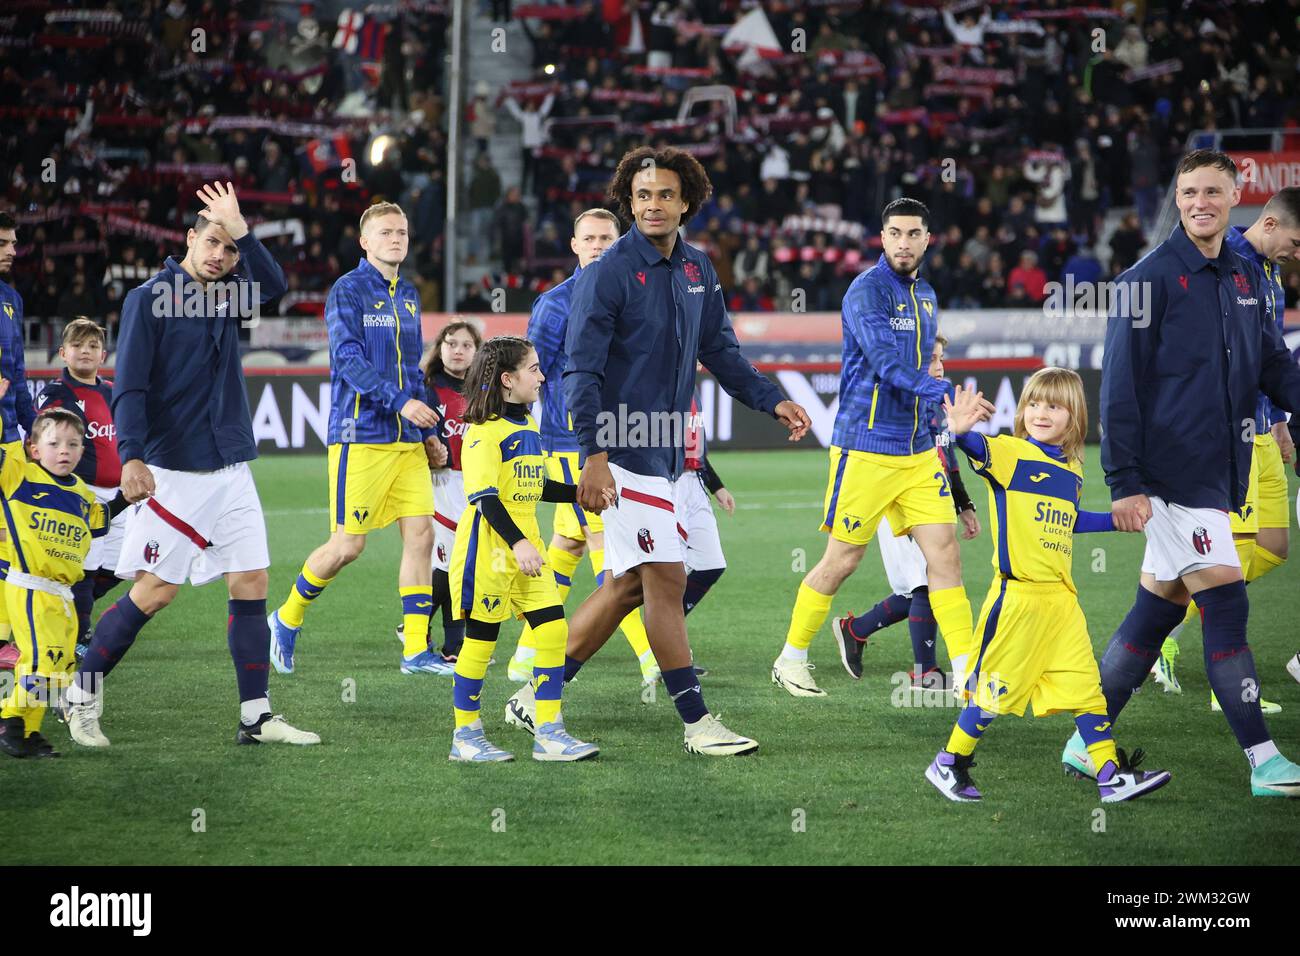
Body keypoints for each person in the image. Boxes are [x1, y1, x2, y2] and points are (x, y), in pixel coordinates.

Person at [530, 146, 811, 758]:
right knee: (665, 578)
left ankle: (537, 694)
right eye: (641, 196)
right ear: (628, 202)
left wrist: (770, 400)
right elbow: (579, 370)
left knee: (629, 586)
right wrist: (593, 454)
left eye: (664, 195)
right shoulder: (608, 272)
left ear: (688, 201)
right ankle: (696, 723)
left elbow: (722, 352)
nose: (652, 205)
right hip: (624, 450)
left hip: (668, 454)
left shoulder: (698, 270)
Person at [1063, 150, 1300, 798]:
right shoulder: (1148, 279)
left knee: (1156, 610)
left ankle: (1089, 740)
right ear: (1178, 196)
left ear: (1234, 198)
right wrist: (1124, 482)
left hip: (1216, 473)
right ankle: (1264, 759)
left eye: (1213, 192)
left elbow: (1273, 365)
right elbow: (1118, 390)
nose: (1201, 202)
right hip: (1170, 478)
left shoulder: (1243, 277)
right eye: (1190, 192)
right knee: (1225, 601)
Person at [62, 181, 318, 748]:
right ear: (188, 239)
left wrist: (243, 228)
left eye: (229, 250)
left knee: (251, 580)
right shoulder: (148, 299)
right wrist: (131, 456)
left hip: (231, 464)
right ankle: (80, 694)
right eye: (212, 242)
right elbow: (128, 387)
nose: (220, 256)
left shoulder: (228, 295)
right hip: (173, 468)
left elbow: (273, 286)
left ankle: (255, 715)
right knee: (155, 591)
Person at [926, 373, 1172, 803]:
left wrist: (1112, 521)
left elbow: (1068, 519)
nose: (1041, 413)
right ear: (1021, 411)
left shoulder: (1072, 469)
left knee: (1086, 689)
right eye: (1035, 404)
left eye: (1054, 407)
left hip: (1062, 601)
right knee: (993, 692)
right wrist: (958, 431)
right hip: (1018, 599)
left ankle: (1110, 775)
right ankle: (948, 762)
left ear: (1074, 417)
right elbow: (971, 446)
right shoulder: (1010, 453)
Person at [774, 198, 982, 699]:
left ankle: (968, 675)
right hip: (865, 449)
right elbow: (888, 364)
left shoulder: (927, 296)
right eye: (895, 233)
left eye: (914, 234)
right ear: (882, 238)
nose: (904, 242)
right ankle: (791, 659)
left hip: (915, 456)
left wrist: (938, 420)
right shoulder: (865, 292)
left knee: (945, 559)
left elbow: (923, 366)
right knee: (842, 560)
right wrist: (944, 396)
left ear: (927, 240)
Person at [269, 202, 450, 677]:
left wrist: (428, 430)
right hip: (360, 434)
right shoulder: (347, 291)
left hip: (406, 440)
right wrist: (399, 403)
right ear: (365, 242)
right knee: (348, 546)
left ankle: (415, 648)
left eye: (403, 232)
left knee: (421, 535)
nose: (396, 239)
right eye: (386, 232)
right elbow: (347, 360)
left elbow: (413, 370)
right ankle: (286, 619)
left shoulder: (408, 293)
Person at [1151, 187, 1300, 700]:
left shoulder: (1271, 272)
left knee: (1274, 549)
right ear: (1271, 223)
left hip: (1261, 428)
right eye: (1297, 242)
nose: (1298, 254)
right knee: (1229, 562)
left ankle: (1167, 621)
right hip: (1227, 438)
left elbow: (1269, 354)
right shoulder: (1226, 259)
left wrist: (1280, 419)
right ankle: (1223, 680)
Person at [505, 208, 661, 689]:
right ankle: (652, 660)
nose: (597, 246)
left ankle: (526, 655)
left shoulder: (635, 294)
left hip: (625, 439)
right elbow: (535, 373)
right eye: (588, 238)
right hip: (573, 445)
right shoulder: (556, 305)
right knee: (611, 549)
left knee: (569, 545)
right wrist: (531, 437)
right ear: (574, 246)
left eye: (606, 239)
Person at [447, 336, 602, 762]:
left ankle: (549, 731)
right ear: (507, 379)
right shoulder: (482, 433)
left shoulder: (527, 426)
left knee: (554, 631)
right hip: (491, 550)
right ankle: (465, 735)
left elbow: (536, 485)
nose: (542, 376)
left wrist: (579, 493)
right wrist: (516, 544)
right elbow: (484, 497)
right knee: (482, 641)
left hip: (527, 547)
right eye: (533, 369)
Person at [831, 334, 979, 688]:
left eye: (941, 357)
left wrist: (963, 503)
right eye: (931, 359)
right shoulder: (897, 402)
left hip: (933, 498)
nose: (939, 366)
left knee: (920, 585)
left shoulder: (938, 399)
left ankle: (855, 629)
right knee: (927, 583)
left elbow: (947, 454)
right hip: (901, 501)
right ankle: (925, 674)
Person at [0, 409, 130, 758]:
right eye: (54, 443)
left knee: (57, 669)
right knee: (43, 662)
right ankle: (9, 719)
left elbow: (99, 520)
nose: (64, 451)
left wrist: (125, 499)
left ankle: (27, 733)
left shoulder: (81, 493)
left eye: (73, 444)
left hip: (63, 593)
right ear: (33, 449)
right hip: (30, 585)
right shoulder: (20, 478)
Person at [35, 318, 126, 660]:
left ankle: (68, 609)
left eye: (92, 346)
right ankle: (80, 632)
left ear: (103, 353)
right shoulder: (57, 394)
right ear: (63, 353)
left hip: (121, 496)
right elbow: (49, 439)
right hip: (83, 492)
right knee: (86, 565)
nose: (85, 352)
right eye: (77, 346)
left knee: (119, 566)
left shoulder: (112, 391)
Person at [408, 320, 480, 662]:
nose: (458, 351)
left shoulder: (486, 389)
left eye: (466, 345)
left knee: (461, 563)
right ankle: (454, 647)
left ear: (477, 352)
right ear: (440, 348)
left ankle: (417, 626)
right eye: (451, 343)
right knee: (451, 564)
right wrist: (428, 448)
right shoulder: (426, 388)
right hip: (439, 483)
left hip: (475, 484)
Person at [0, 211, 36, 672]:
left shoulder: (11, 298)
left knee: (12, 542)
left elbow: (20, 373)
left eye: (13, 242)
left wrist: (35, 429)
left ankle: (5, 639)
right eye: (4, 242)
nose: (12, 249)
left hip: (9, 439)